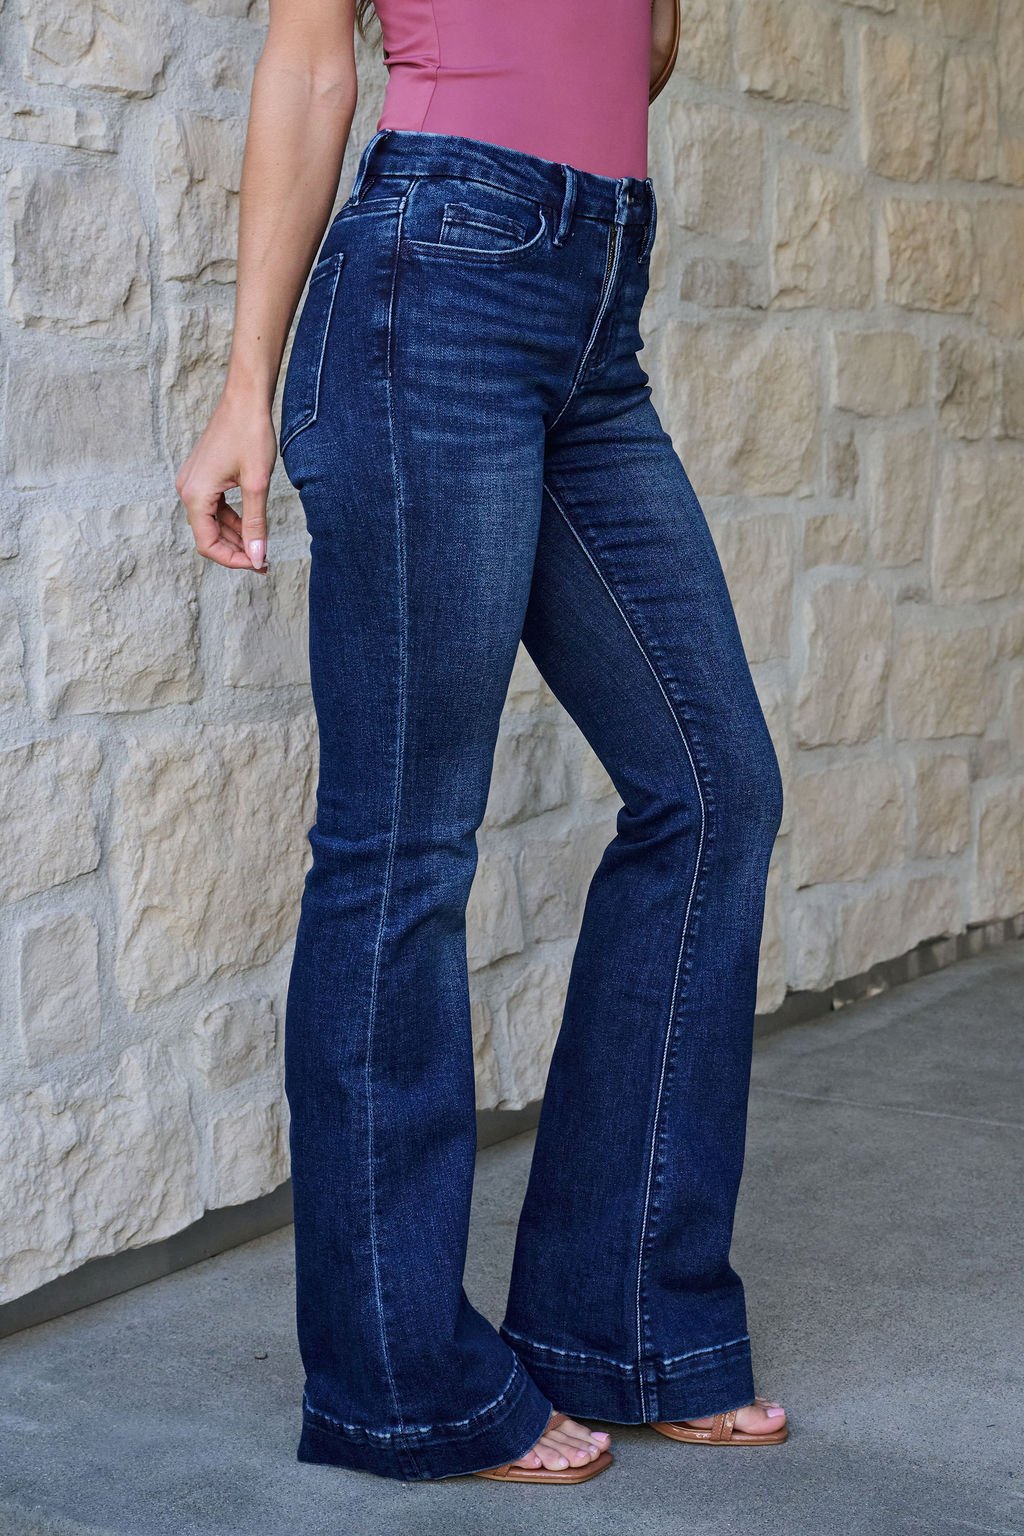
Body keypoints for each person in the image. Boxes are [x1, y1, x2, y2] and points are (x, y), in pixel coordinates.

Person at [175, 0, 790, 1486]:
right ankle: (400, 1382)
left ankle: (624, 1318)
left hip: (594, 299)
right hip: (431, 291)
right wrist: (245, 383)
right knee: (403, 846)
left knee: (712, 791)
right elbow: (317, 58)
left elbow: (632, 55)